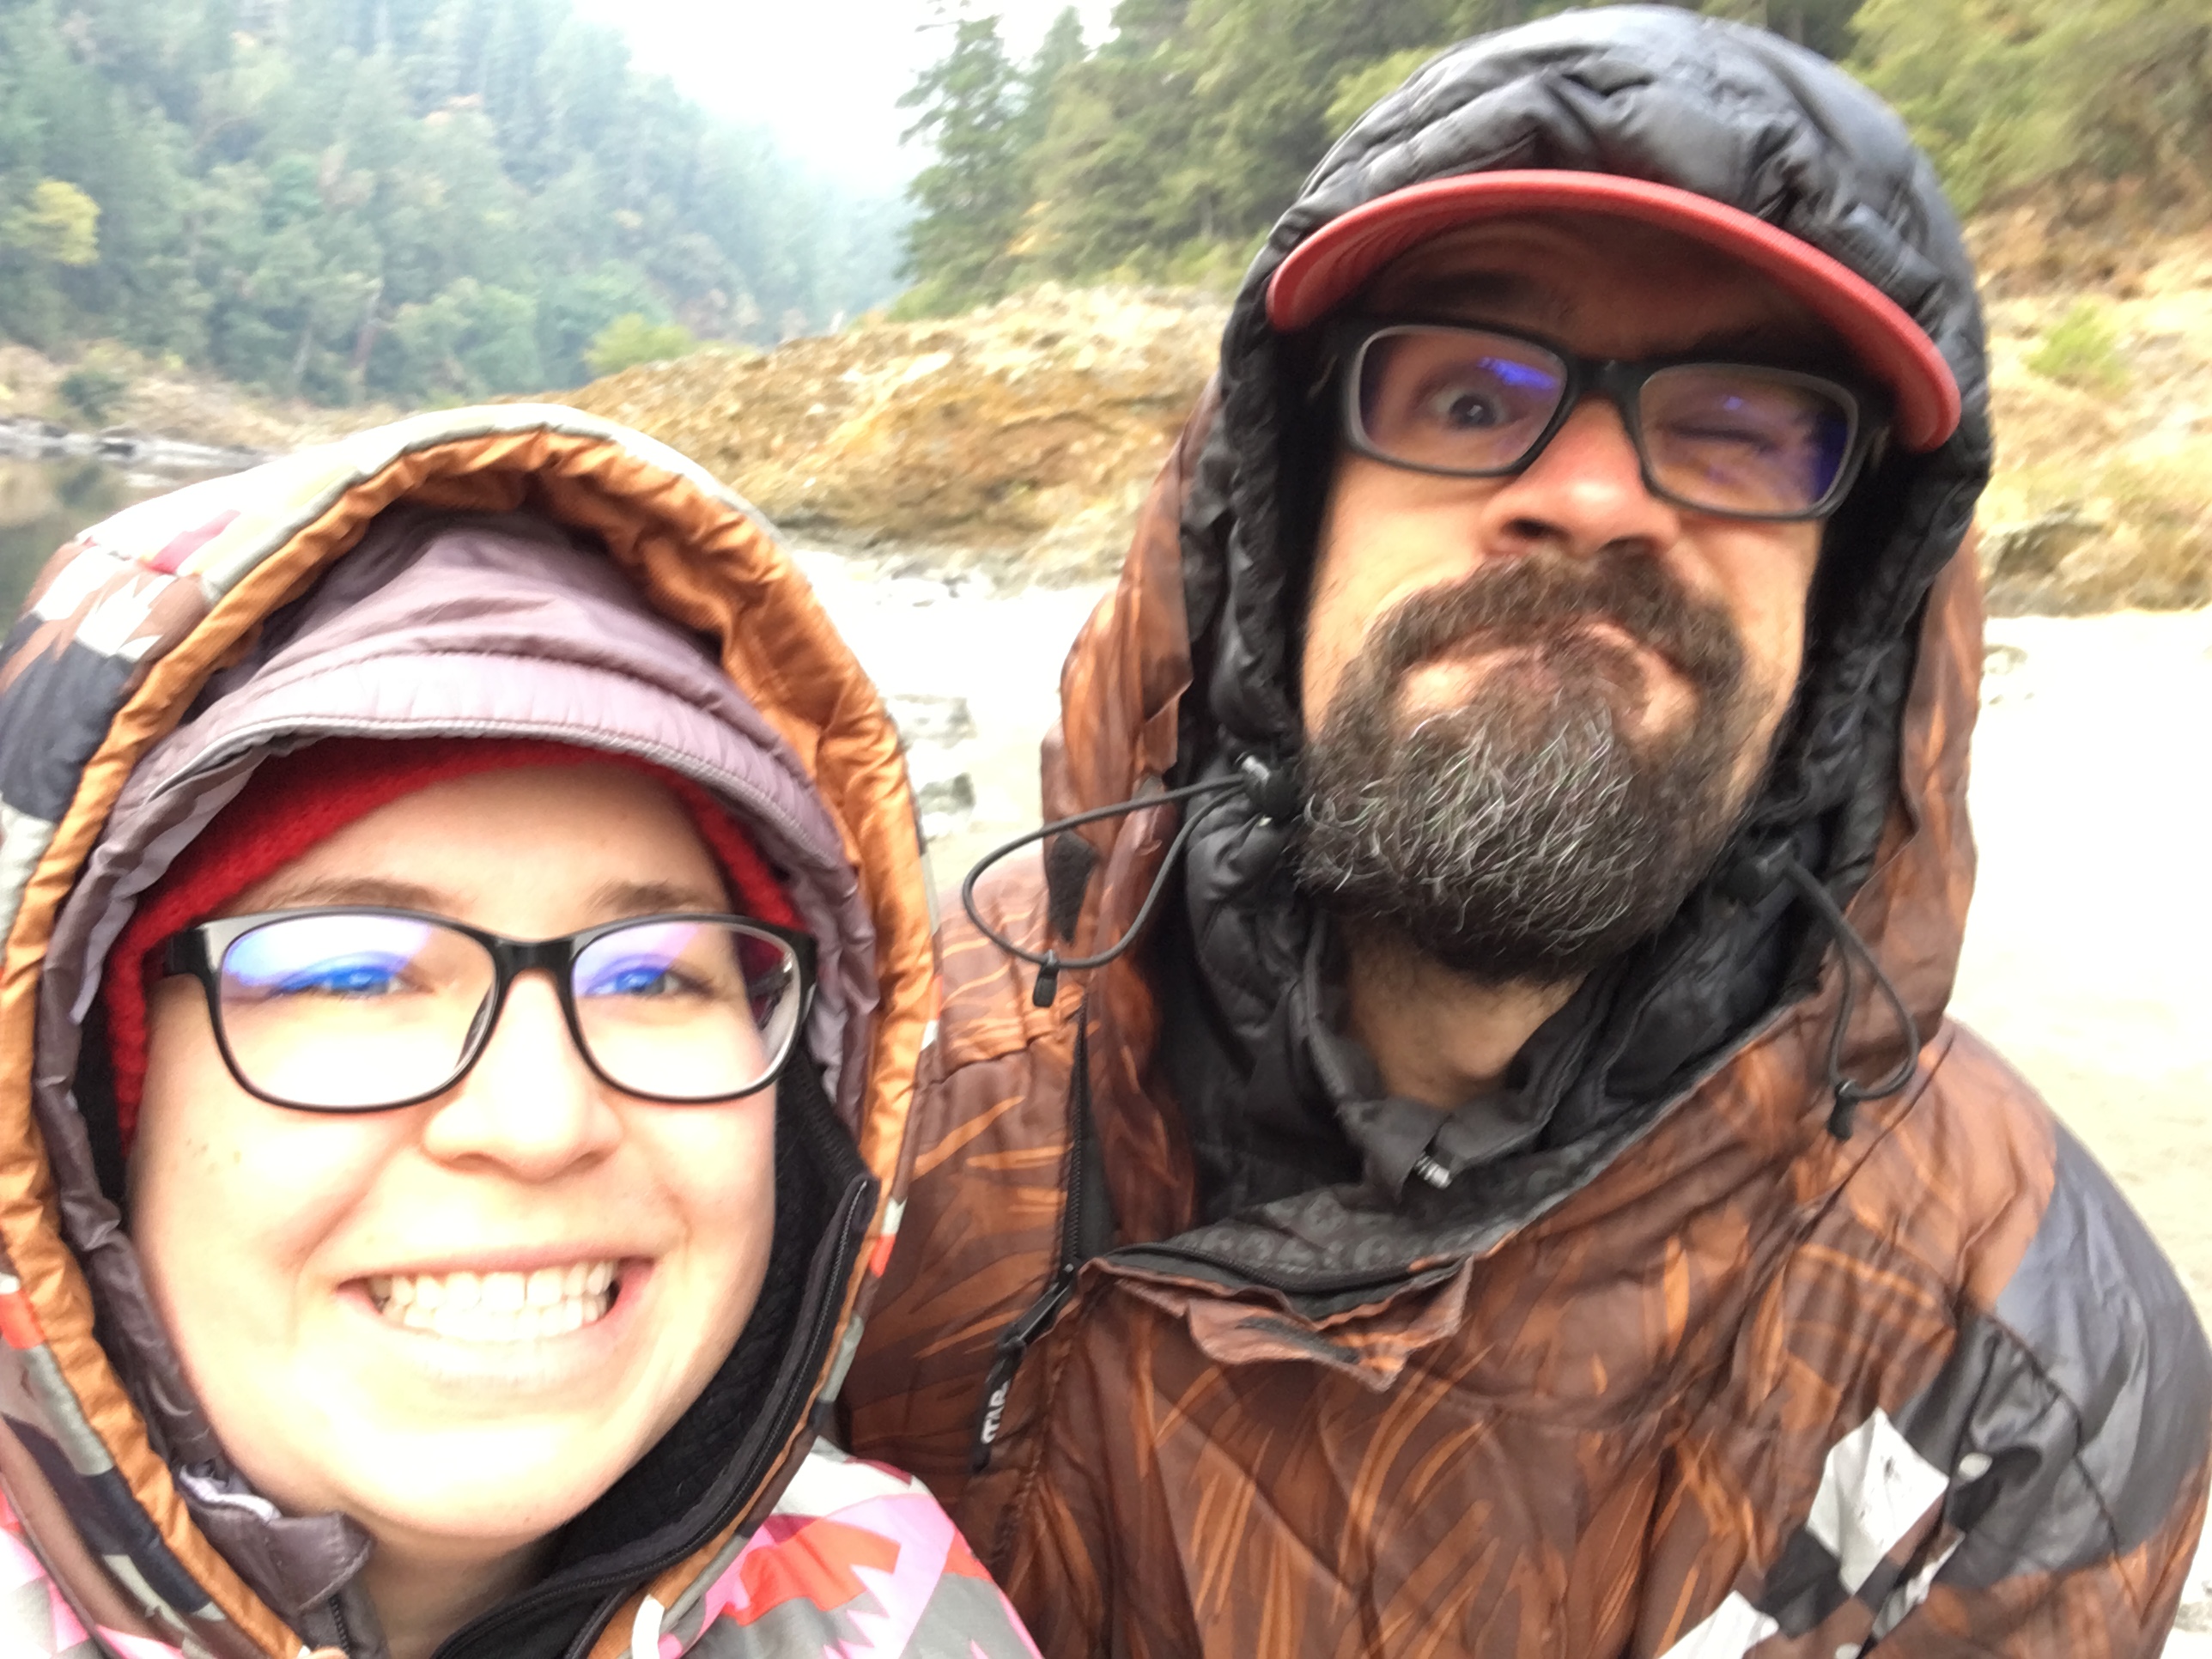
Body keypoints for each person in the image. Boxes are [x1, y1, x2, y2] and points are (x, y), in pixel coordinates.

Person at [841, 9, 2212, 1656]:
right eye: (1470, 396)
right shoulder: (870, 1121)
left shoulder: (2000, 1349)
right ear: (1278, 532)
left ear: (1848, 616)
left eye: (1739, 425)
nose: (1593, 494)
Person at [0, 407, 1038, 1658]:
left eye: (657, 979)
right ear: (77, 1121)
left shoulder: (898, 1611)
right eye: (349, 973)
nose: (540, 1122)